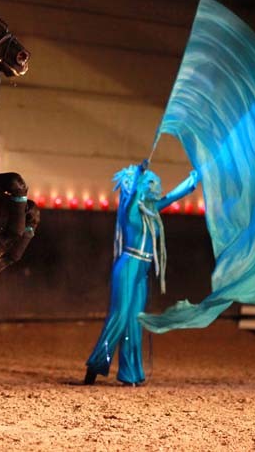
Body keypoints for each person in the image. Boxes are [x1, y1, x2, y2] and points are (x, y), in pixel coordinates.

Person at [84, 161, 199, 386]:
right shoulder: (130, 210)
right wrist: (138, 173)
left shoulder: (151, 210)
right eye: (151, 183)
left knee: (135, 321)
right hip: (129, 266)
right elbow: (135, 193)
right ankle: (95, 367)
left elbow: (173, 196)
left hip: (142, 270)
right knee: (120, 316)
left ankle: (131, 374)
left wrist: (193, 179)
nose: (156, 188)